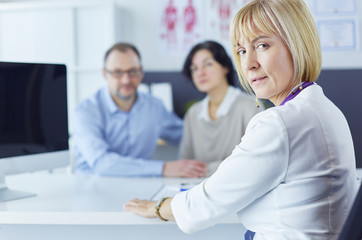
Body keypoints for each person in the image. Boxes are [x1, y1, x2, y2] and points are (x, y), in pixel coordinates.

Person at [124, 0, 357, 239]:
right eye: (242, 51)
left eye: (263, 45)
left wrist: (157, 207)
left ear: (296, 45)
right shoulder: (325, 109)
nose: (248, 64)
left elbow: (204, 205)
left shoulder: (280, 123)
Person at [72, 42, 207, 178]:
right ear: (105, 74)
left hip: (139, 188)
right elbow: (102, 164)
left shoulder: (154, 107)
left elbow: (184, 135)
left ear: (141, 72)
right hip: (92, 187)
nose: (126, 80)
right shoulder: (86, 111)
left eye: (133, 71)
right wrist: (164, 168)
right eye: (117, 73)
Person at [179, 40, 260, 175]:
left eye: (208, 64)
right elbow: (185, 166)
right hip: (198, 190)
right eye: (194, 68)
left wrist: (205, 170)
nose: (200, 73)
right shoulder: (193, 114)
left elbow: (255, 161)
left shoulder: (250, 106)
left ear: (225, 67)